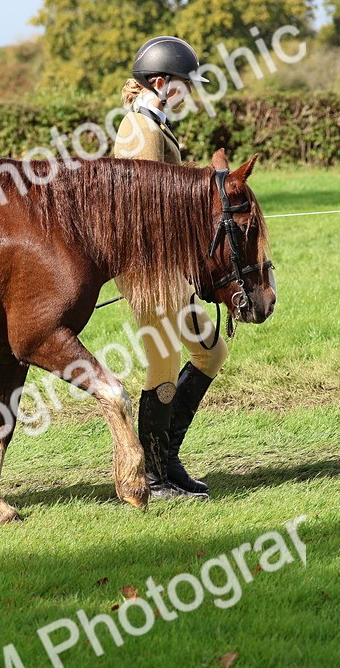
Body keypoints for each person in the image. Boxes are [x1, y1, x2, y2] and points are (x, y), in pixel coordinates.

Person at [112, 35, 224, 500]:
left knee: (210, 353)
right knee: (163, 364)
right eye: (185, 84)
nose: (191, 93)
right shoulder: (141, 131)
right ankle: (154, 476)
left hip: (170, 268)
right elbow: (143, 208)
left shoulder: (156, 125)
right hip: (150, 269)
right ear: (161, 83)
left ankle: (167, 459)